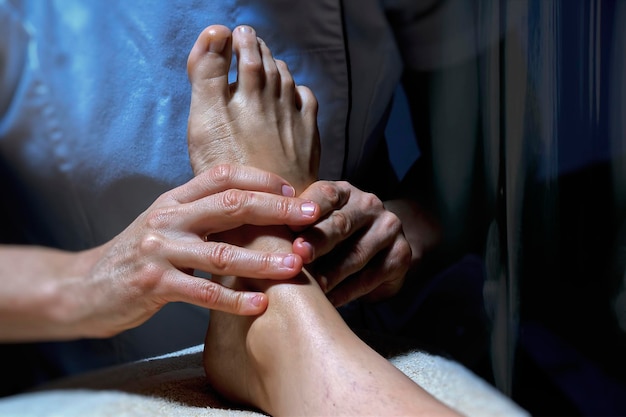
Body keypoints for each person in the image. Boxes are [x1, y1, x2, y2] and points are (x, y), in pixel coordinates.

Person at [0, 0, 489, 396]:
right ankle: (273, 330)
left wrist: (409, 226)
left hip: (365, 318)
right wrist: (85, 282)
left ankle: (275, 324)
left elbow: (493, 151)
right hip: (78, 358)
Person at [186, 23, 459, 416]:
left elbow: (491, 159)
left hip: (364, 311)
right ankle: (275, 291)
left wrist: (407, 224)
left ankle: (268, 294)